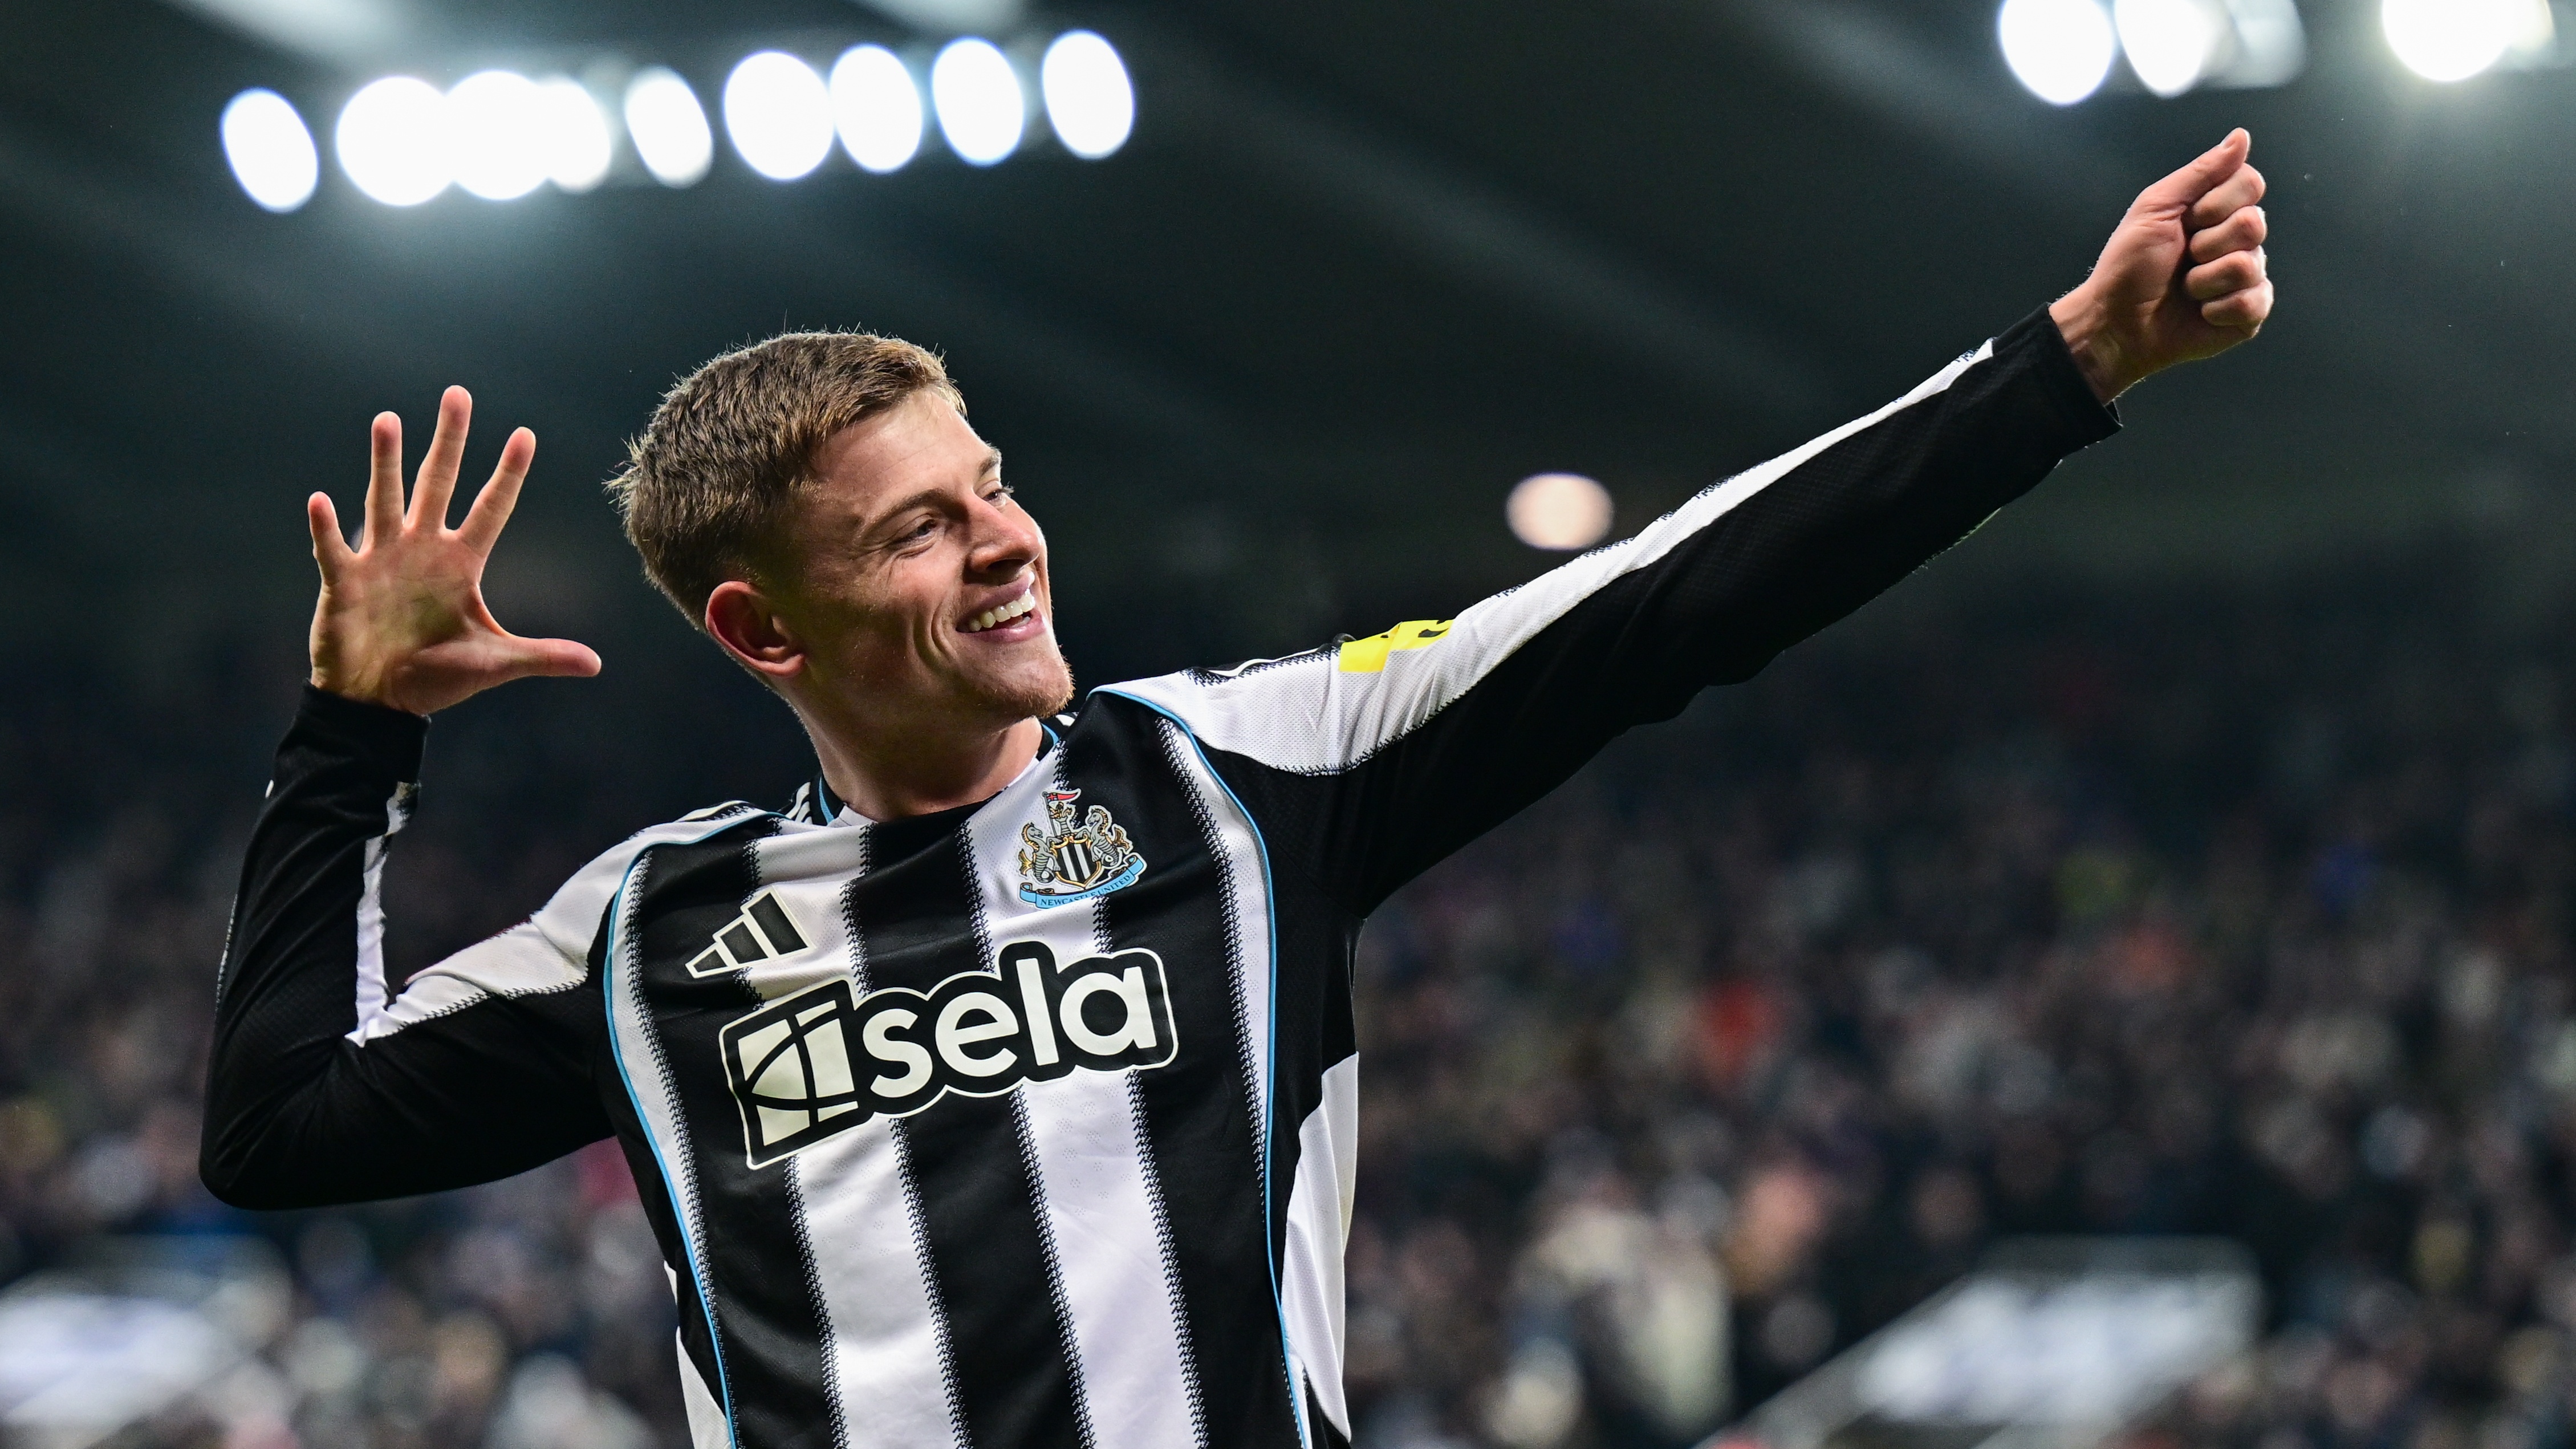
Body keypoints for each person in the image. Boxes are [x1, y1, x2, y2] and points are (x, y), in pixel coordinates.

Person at [201, 132, 2275, 1449]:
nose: (1006, 541)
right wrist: (351, 736)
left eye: (993, 482)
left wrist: (2061, 371)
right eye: (920, 532)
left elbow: (1675, 603)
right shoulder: (654, 935)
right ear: (763, 631)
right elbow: (278, 1131)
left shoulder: (1252, 775)